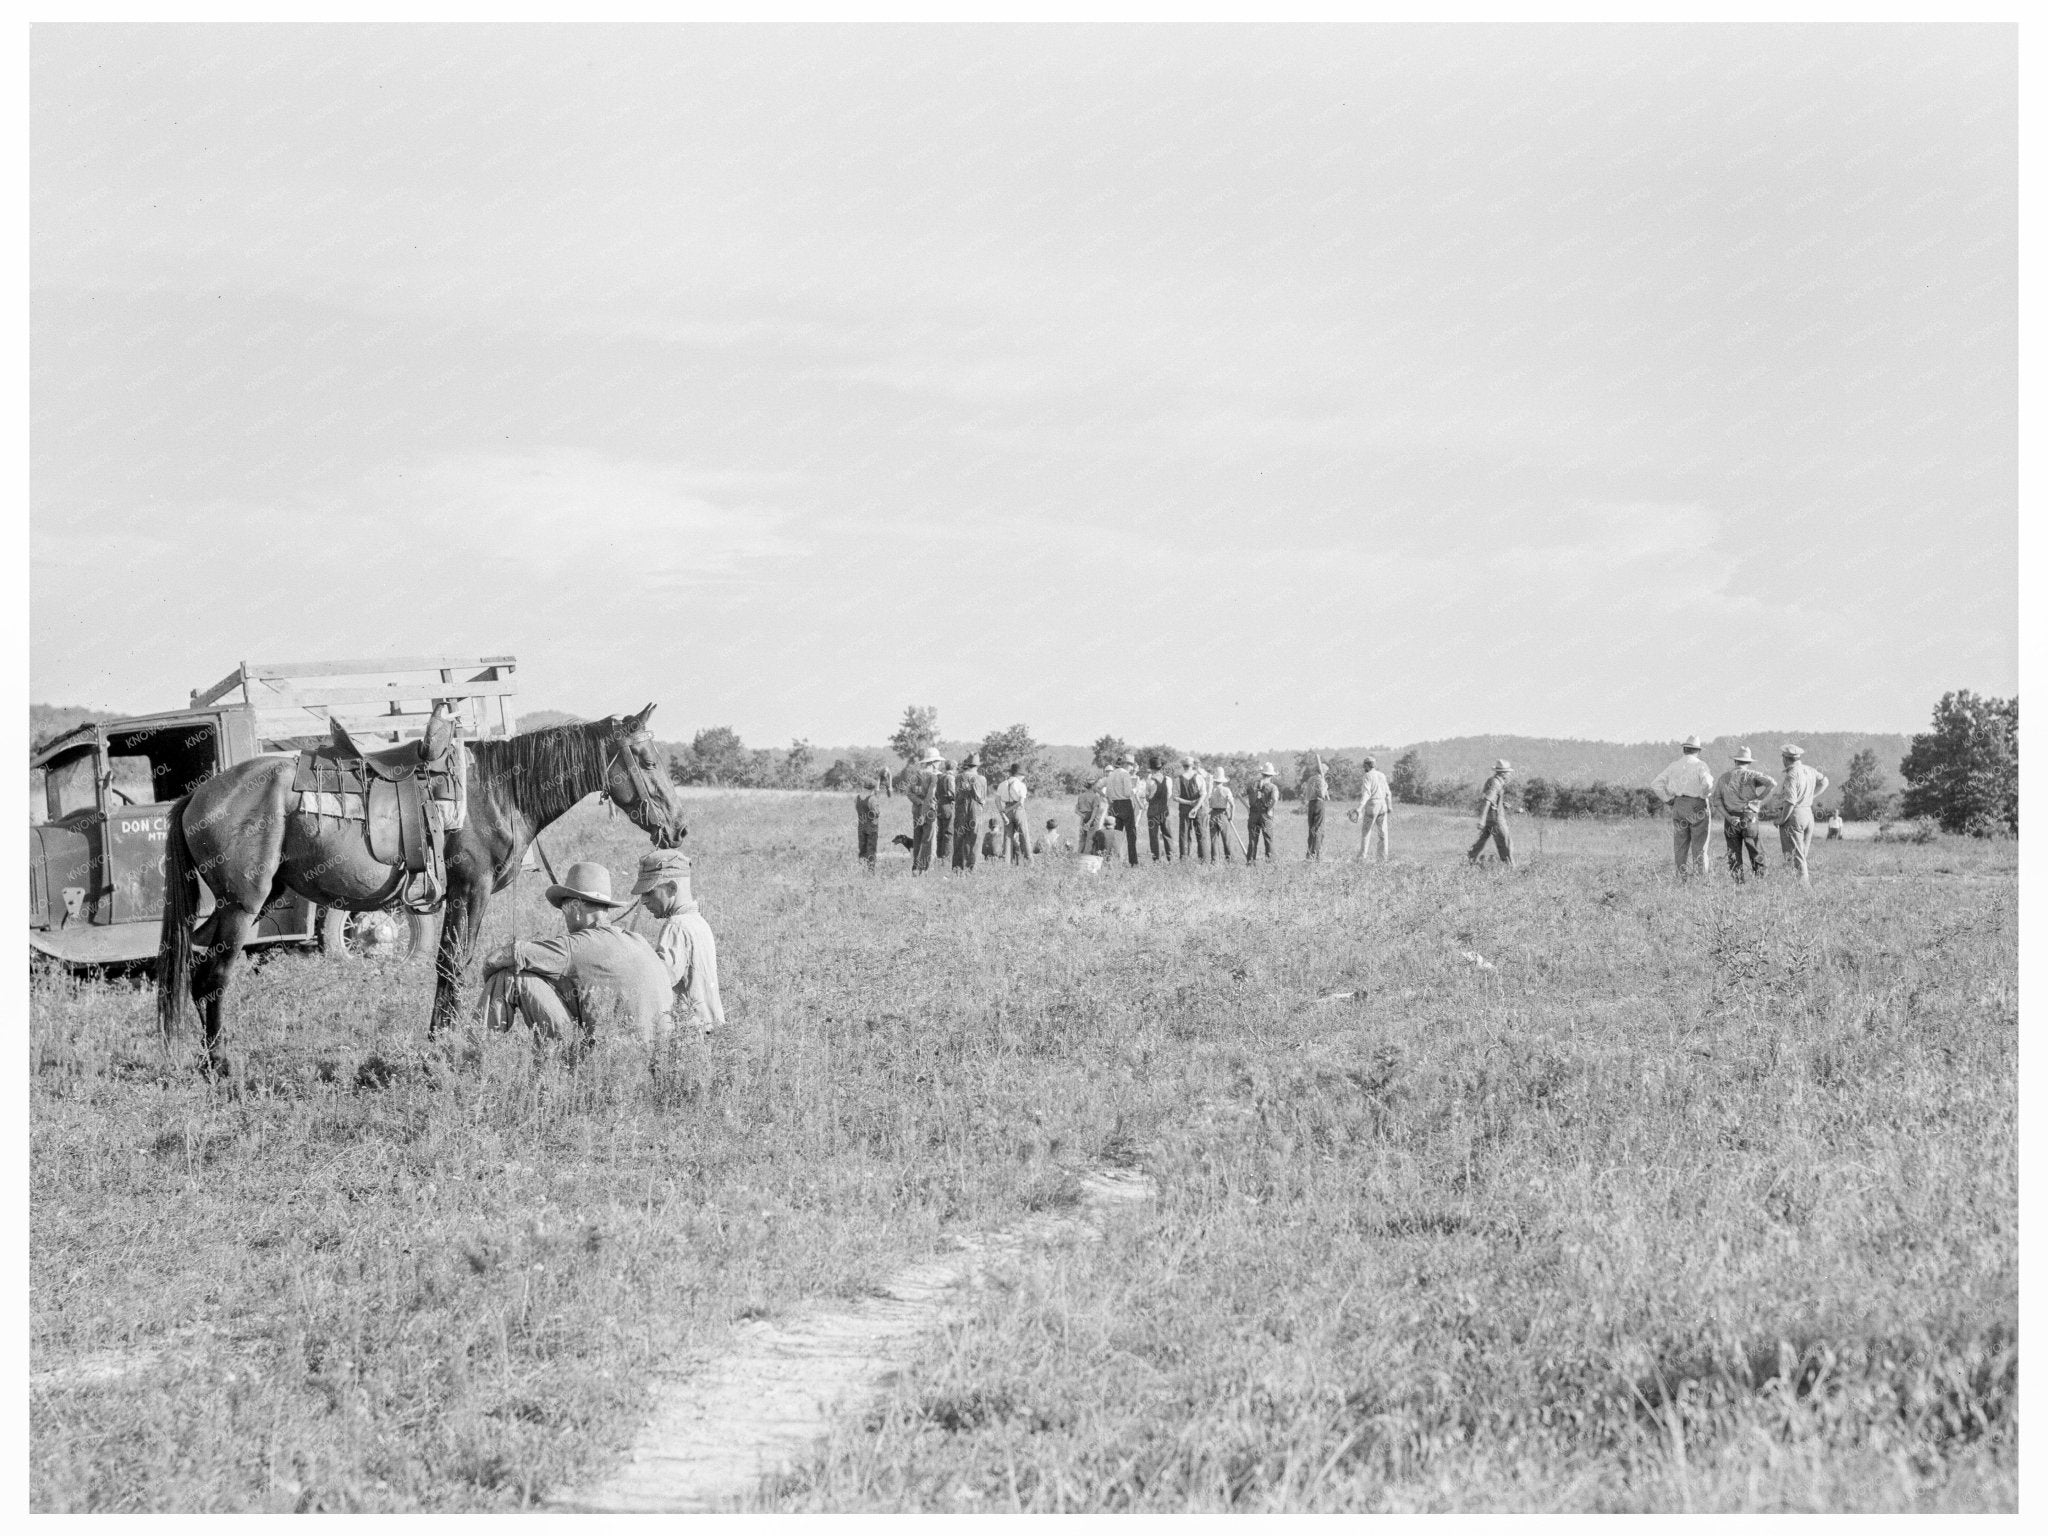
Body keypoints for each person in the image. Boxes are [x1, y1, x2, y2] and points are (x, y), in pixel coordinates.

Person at [479, 860, 673, 1047]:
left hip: (603, 1062)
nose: (565, 917)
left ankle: (476, 1054)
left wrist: (489, 978)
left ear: (576, 908)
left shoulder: (576, 946)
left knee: (509, 977)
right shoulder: (638, 941)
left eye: (564, 909)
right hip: (655, 1058)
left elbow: (507, 955)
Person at [621, 849, 726, 1039]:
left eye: (649, 892)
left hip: (689, 1034)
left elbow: (661, 979)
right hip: (710, 1027)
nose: (643, 901)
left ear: (672, 888)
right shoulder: (698, 922)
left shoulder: (676, 926)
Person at [1650, 734, 1718, 879]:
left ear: (1684, 749)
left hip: (1679, 804)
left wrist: (1668, 799)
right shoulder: (1701, 765)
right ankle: (1701, 878)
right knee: (1700, 846)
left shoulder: (1674, 766)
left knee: (1680, 845)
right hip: (1697, 804)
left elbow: (1655, 784)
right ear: (1698, 750)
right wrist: (1704, 794)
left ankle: (1681, 878)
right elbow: (1707, 783)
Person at [1765, 745, 1830, 885]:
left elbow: (1790, 802)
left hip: (1795, 815)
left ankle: (1802, 889)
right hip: (1808, 813)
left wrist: (1782, 819)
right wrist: (1812, 796)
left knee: (1795, 857)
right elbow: (1825, 781)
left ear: (1786, 759)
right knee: (1802, 854)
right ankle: (1795, 885)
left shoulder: (1791, 775)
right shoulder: (1810, 770)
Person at [1714, 746, 1776, 883]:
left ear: (1735, 761)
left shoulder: (1724, 777)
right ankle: (1759, 881)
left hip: (1731, 818)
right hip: (1749, 817)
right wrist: (1759, 799)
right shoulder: (1752, 775)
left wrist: (1728, 817)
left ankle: (1738, 882)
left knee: (1733, 852)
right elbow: (1772, 783)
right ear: (1748, 762)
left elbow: (1716, 801)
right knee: (1755, 849)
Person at [1101, 751, 1144, 867]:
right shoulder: (1125, 774)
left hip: (1114, 805)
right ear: (1128, 764)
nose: (1132, 768)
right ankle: (1133, 862)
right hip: (1125, 804)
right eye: (1132, 765)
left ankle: (1112, 861)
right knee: (1131, 834)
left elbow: (1108, 793)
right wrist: (1135, 790)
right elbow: (1127, 793)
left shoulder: (1111, 774)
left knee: (1116, 835)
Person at [1468, 759, 1514, 866]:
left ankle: (1469, 862)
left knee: (1480, 842)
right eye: (1508, 773)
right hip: (1496, 820)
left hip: (1490, 818)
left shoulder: (1492, 780)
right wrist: (1482, 820)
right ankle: (1510, 869)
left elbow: (1490, 799)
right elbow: (1487, 800)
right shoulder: (1496, 783)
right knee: (1506, 844)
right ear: (1503, 773)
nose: (1509, 775)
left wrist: (1502, 804)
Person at [907, 747, 943, 873]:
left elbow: (909, 793)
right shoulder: (936, 777)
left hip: (916, 811)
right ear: (933, 762)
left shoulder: (915, 776)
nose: (939, 763)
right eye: (938, 761)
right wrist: (925, 804)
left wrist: (919, 802)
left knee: (917, 838)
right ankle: (927, 868)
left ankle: (916, 866)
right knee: (929, 840)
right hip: (930, 811)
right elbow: (932, 795)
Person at [952, 752, 988, 871]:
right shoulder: (981, 779)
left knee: (959, 837)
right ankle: (971, 868)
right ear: (977, 765)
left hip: (960, 808)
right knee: (974, 839)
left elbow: (955, 795)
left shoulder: (958, 777)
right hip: (976, 809)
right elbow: (983, 798)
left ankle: (957, 868)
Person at [1352, 753, 1391, 861]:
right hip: (1383, 806)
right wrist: (1389, 806)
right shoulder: (1382, 775)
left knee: (1366, 832)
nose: (1363, 768)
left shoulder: (1367, 776)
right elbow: (1388, 792)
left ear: (1366, 766)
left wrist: (1359, 808)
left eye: (1364, 766)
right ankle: (1382, 858)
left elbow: (1366, 794)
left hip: (1372, 805)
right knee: (1383, 833)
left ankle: (1362, 857)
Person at [1243, 763, 1280, 864]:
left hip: (1253, 814)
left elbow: (1239, 794)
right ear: (1271, 775)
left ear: (1262, 774)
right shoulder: (1273, 787)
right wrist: (1269, 809)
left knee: (1252, 840)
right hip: (1266, 816)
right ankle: (1270, 862)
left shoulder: (1252, 785)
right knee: (1268, 839)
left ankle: (1250, 862)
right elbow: (1275, 799)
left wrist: (1247, 807)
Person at [997, 762, 1034, 863]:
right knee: (1024, 835)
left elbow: (997, 800)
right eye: (1022, 775)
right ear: (1018, 774)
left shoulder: (1002, 784)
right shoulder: (1021, 785)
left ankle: (1007, 862)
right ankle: (1028, 861)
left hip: (1006, 811)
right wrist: (1009, 810)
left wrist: (1003, 813)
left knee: (1007, 838)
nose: (1023, 777)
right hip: (1018, 811)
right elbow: (1020, 802)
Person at [1174, 756, 1209, 861]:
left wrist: (1188, 803)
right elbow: (1204, 795)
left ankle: (1184, 860)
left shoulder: (1177, 779)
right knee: (1201, 835)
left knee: (1184, 835)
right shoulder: (1199, 777)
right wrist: (1195, 806)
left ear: (1183, 765)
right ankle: (1204, 861)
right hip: (1199, 809)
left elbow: (1175, 797)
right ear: (1193, 765)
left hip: (1185, 809)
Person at [1144, 757, 1176, 862]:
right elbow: (1169, 795)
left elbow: (1147, 797)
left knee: (1154, 837)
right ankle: (1171, 859)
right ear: (1161, 767)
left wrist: (1150, 799)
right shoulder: (1169, 780)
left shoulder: (1150, 780)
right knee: (1168, 835)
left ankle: (1156, 860)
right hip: (1164, 810)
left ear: (1151, 768)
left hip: (1153, 811)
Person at [1300, 753, 1331, 860]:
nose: (1326, 773)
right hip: (1319, 803)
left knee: (1312, 829)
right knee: (1318, 829)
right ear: (1323, 771)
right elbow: (1322, 794)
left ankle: (1309, 853)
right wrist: (1326, 787)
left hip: (1311, 804)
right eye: (1326, 771)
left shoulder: (1310, 779)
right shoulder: (1321, 780)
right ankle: (1317, 854)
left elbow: (1307, 794)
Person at [1206, 768, 1239, 862]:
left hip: (1212, 815)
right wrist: (1231, 816)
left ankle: (1215, 861)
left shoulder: (1211, 791)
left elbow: (1207, 802)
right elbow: (1233, 805)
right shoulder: (1226, 790)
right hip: (1223, 814)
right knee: (1226, 839)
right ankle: (1229, 860)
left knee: (1213, 840)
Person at [855, 769, 886, 866]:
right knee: (871, 849)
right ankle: (870, 870)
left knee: (862, 849)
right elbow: (877, 813)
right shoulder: (872, 799)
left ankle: (861, 867)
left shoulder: (857, 798)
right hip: (871, 828)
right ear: (873, 788)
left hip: (861, 827)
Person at [1073, 780, 1110, 855]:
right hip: (1091, 821)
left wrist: (1083, 816)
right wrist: (1090, 822)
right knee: (1090, 840)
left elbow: (1076, 810)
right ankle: (1086, 859)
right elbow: (1095, 811)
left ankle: (1078, 857)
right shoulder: (1095, 797)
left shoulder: (1081, 796)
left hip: (1083, 819)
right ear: (1093, 786)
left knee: (1082, 840)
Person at [933, 757, 957, 864]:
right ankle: (946, 858)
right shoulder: (950, 778)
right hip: (948, 805)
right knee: (948, 832)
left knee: (941, 833)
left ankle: (939, 856)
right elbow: (952, 793)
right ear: (954, 768)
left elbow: (936, 794)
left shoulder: (940, 777)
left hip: (939, 805)